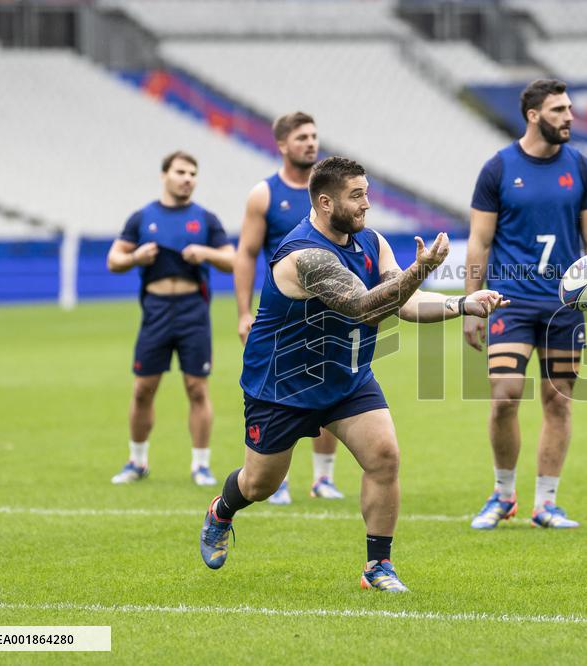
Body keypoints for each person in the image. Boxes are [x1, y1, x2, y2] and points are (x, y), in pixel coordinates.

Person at [199, 157, 506, 591]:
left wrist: (463, 303)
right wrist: (421, 270)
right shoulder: (304, 256)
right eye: (356, 196)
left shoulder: (371, 241)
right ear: (325, 202)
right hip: (282, 387)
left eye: (367, 193)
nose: (367, 205)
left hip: (347, 376)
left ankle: (377, 566)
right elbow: (366, 305)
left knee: (384, 456)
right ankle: (221, 511)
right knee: (259, 483)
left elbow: (401, 301)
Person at [463, 79, 587, 530]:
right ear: (533, 115)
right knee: (505, 398)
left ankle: (546, 504)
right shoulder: (498, 168)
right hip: (509, 302)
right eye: (559, 110)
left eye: (570, 108)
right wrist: (473, 302)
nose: (570, 116)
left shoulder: (582, 168)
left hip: (564, 306)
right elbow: (479, 240)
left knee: (559, 402)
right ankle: (504, 495)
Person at [107, 151, 235, 486]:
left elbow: (232, 259)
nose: (187, 178)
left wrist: (204, 252)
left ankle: (201, 465)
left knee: (196, 388)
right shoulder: (142, 217)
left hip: (193, 310)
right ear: (164, 175)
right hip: (156, 311)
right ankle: (137, 461)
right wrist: (137, 256)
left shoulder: (205, 219)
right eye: (181, 172)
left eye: (193, 173)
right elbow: (113, 259)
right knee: (143, 389)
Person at [235, 111, 344, 505]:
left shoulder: (331, 190)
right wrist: (244, 311)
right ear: (282, 145)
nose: (311, 143)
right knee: (284, 395)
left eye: (314, 135)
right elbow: (246, 253)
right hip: (283, 316)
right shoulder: (264, 194)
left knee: (332, 385)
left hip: (330, 309)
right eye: (302, 137)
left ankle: (323, 478)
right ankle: (276, 477)